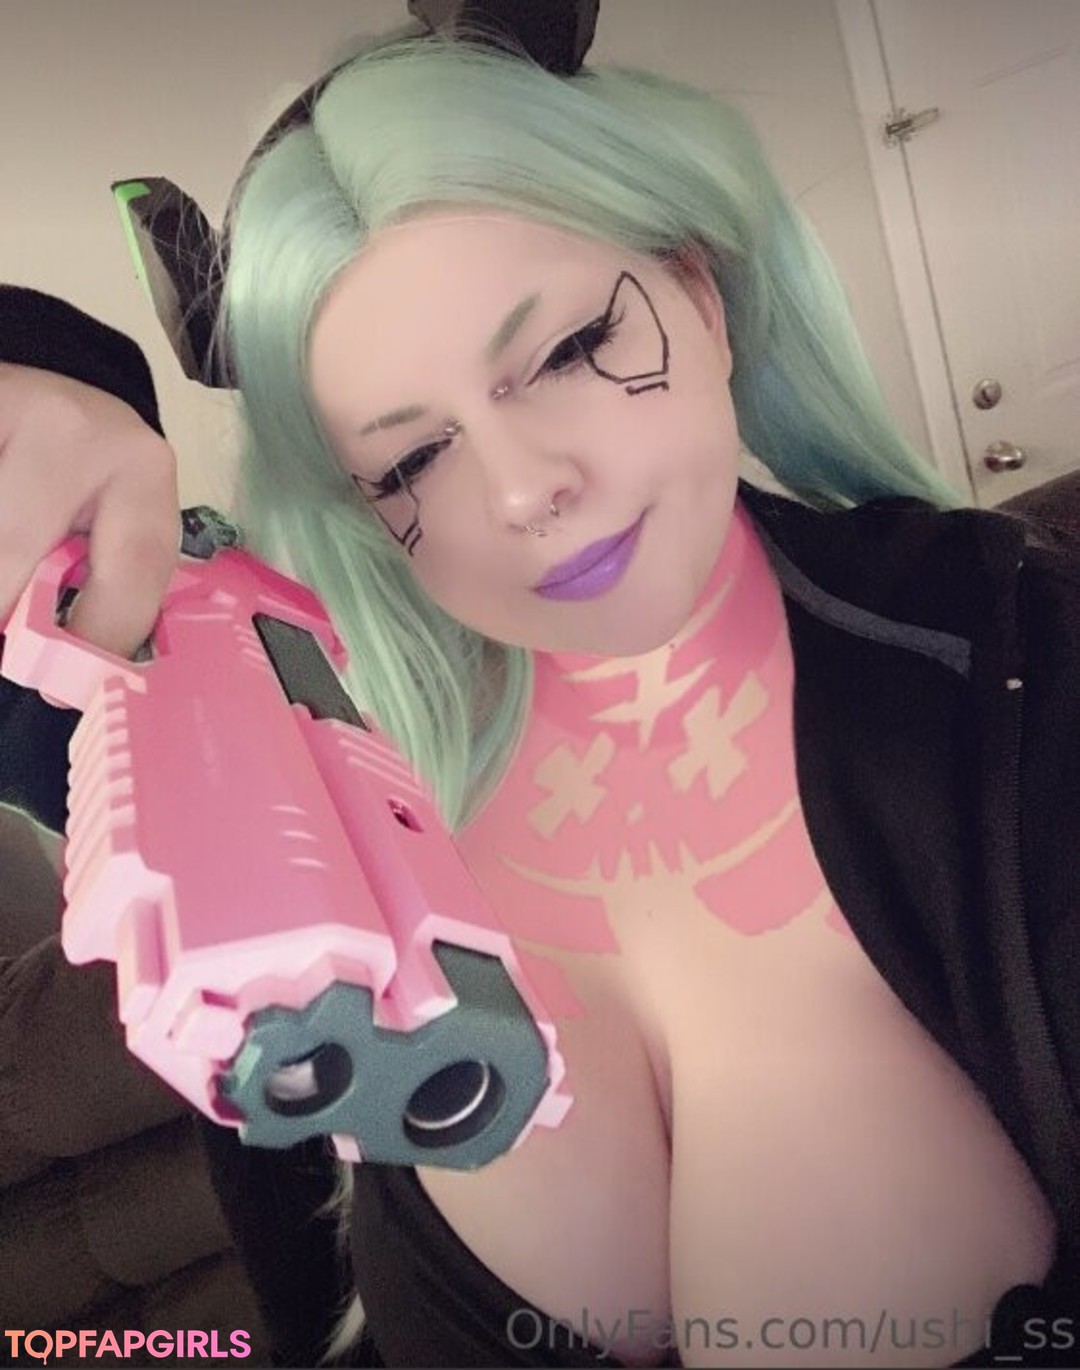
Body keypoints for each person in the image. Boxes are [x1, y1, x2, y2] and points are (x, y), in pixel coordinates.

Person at [3, 24, 1080, 1370]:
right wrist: (48, 373)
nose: (521, 491)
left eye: (572, 348)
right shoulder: (296, 789)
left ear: (701, 291)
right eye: (410, 464)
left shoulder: (1010, 656)